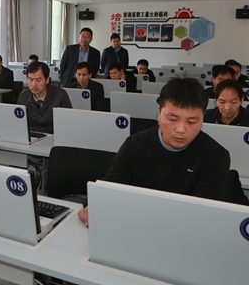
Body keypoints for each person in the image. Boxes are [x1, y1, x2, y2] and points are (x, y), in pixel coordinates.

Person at [78, 77, 230, 227]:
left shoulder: (215, 156)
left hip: (183, 229)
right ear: (159, 112)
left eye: (191, 122)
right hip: (134, 224)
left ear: (203, 117)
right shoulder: (135, 144)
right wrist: (94, 206)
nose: (181, 129)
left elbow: (204, 214)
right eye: (172, 119)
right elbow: (110, 187)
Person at [205, 80, 249, 162]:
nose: (227, 107)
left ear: (241, 100)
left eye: (233, 102)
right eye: (222, 102)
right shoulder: (205, 118)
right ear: (216, 100)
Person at [17, 61, 72, 133]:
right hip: (30, 136)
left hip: (54, 136)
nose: (34, 84)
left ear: (47, 80)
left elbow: (68, 123)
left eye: (38, 80)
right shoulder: (23, 97)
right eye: (30, 79)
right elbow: (19, 123)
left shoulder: (60, 95)